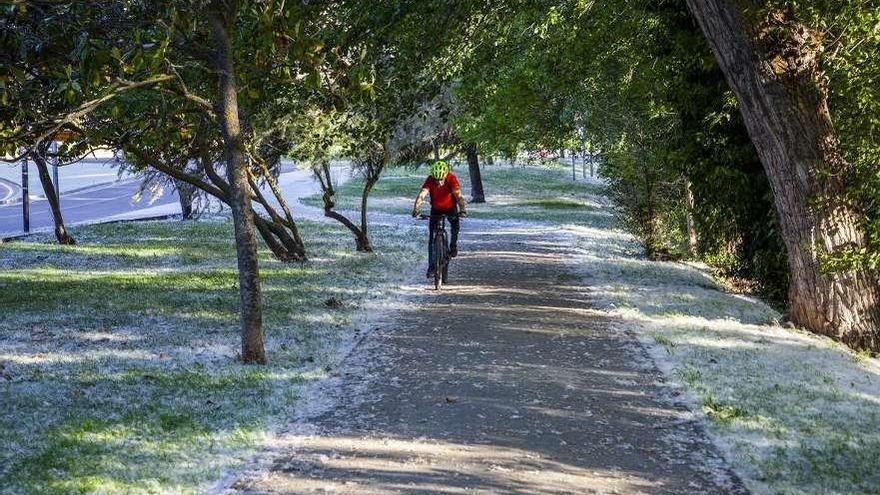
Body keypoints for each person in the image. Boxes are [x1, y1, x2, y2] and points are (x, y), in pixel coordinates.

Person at [412, 160, 468, 278]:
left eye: (440, 179)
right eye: (436, 179)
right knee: (432, 238)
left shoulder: (451, 178)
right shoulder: (430, 179)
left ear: (445, 174)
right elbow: (422, 194)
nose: (438, 182)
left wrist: (462, 210)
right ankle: (431, 266)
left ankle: (453, 245)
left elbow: (458, 196)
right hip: (436, 208)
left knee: (455, 226)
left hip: (450, 207)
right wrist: (416, 209)